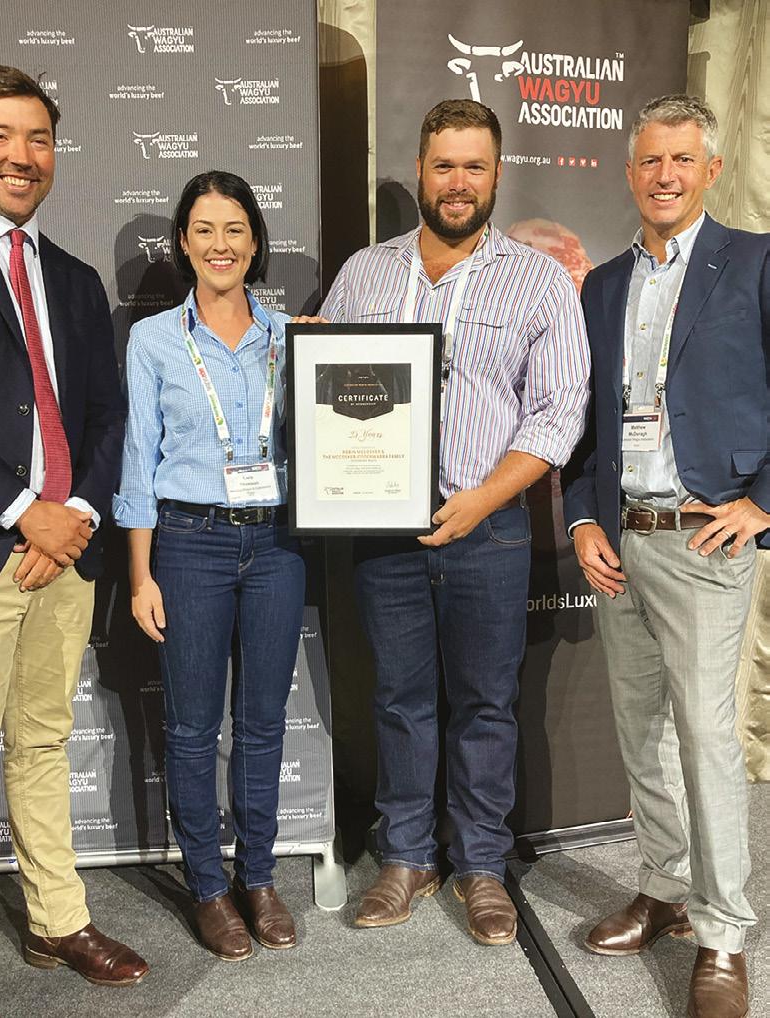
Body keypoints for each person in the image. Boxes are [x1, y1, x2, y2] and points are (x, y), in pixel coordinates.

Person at [0, 65, 148, 1018]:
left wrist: (73, 512)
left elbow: (105, 419)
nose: (21, 155)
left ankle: (57, 919)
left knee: (43, 744)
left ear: (55, 152)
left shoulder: (76, 281)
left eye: (37, 138)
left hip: (65, 553)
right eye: (0, 135)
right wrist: (21, 510)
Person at [320, 99, 590, 944]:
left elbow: (559, 410)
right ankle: (406, 857)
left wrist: (482, 496)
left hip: (489, 525)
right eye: (444, 166)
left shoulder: (537, 279)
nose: (458, 182)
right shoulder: (365, 273)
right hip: (383, 531)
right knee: (399, 701)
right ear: (419, 171)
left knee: (484, 705)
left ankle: (479, 865)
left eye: (474, 166)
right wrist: (308, 356)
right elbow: (326, 386)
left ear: (497, 174)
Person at [563, 94, 769, 1018]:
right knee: (638, 730)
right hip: (621, 542)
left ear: (710, 170)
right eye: (649, 160)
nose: (664, 175)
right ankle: (663, 887)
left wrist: (762, 503)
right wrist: (582, 520)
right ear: (628, 170)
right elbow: (583, 424)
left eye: (682, 160)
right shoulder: (603, 283)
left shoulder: (756, 263)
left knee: (706, 740)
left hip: (703, 545)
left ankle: (722, 934)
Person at [114, 171, 305, 961]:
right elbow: (138, 461)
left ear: (254, 242)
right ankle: (206, 886)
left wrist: (341, 362)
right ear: (182, 245)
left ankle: (257, 877)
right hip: (188, 544)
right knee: (192, 729)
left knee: (262, 725)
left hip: (277, 547)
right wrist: (141, 574)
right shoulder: (154, 340)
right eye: (204, 230)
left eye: (234, 229)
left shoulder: (293, 337)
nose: (220, 245)